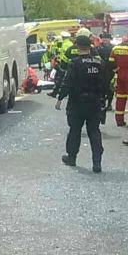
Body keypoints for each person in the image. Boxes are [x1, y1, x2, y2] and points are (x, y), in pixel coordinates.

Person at [54, 34, 107, 173]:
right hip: (94, 102)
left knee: (75, 131)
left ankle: (71, 158)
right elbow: (105, 83)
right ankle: (97, 163)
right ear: (90, 47)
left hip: (77, 103)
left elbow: (67, 82)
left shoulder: (75, 63)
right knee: (94, 132)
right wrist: (105, 100)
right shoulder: (100, 63)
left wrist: (60, 98)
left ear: (77, 47)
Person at [109, 34, 128, 127]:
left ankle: (119, 120)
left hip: (120, 74)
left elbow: (111, 61)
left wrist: (117, 71)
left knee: (120, 98)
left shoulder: (115, 48)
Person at [49, 31, 76, 97]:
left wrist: (60, 63)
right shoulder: (70, 43)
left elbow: (64, 55)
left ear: (63, 37)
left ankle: (56, 92)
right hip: (71, 64)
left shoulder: (64, 44)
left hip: (64, 64)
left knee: (60, 78)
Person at [96, 32, 115, 111]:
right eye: (103, 38)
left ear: (110, 39)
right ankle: (102, 102)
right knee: (101, 87)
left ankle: (109, 103)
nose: (105, 40)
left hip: (111, 70)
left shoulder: (113, 48)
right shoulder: (98, 48)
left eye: (106, 38)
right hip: (101, 70)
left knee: (110, 88)